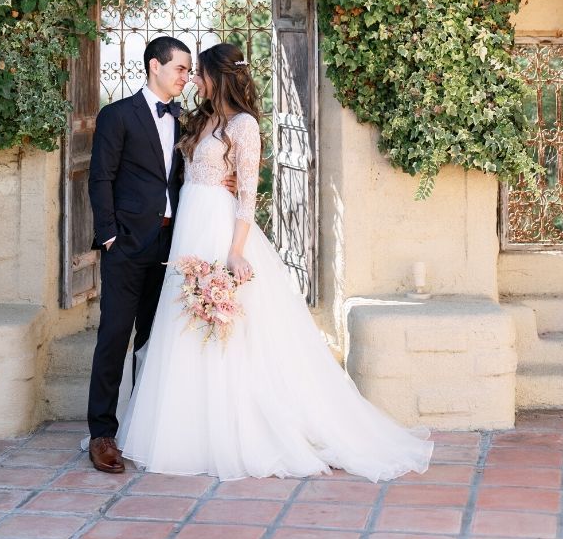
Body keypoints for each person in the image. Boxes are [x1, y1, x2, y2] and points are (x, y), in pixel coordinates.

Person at [116, 41, 434, 481]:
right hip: (188, 228)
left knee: (224, 330)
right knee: (183, 325)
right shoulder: (204, 119)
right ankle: (188, 429)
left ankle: (231, 432)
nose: (193, 80)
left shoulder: (244, 125)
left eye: (199, 72)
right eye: (188, 71)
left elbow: (248, 194)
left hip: (218, 229)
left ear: (217, 77)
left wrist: (235, 250)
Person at [86, 35, 236, 474]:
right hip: (127, 245)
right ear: (155, 66)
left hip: (175, 248)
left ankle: (139, 426)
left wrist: (224, 184)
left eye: (190, 71)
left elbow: (203, 169)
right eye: (180, 69)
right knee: (115, 336)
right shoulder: (117, 116)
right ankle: (102, 433)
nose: (187, 77)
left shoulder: (188, 120)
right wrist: (109, 236)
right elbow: (100, 178)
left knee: (157, 341)